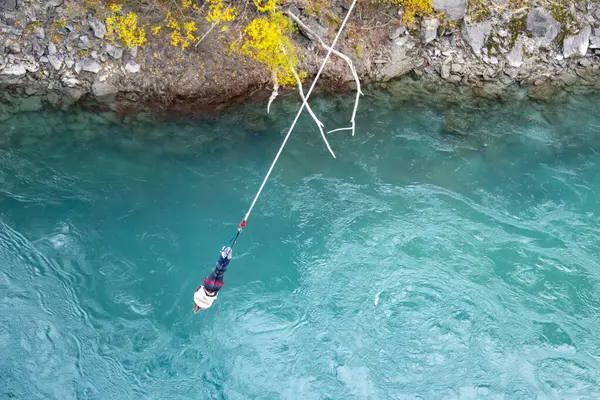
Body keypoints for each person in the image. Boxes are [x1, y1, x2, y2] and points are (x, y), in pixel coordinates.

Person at [193, 246, 232, 313]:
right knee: (216, 271)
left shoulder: (207, 306)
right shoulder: (195, 298)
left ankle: (227, 259)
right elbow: (199, 288)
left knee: (221, 272)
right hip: (208, 286)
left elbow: (214, 298)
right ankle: (222, 255)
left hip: (217, 287)